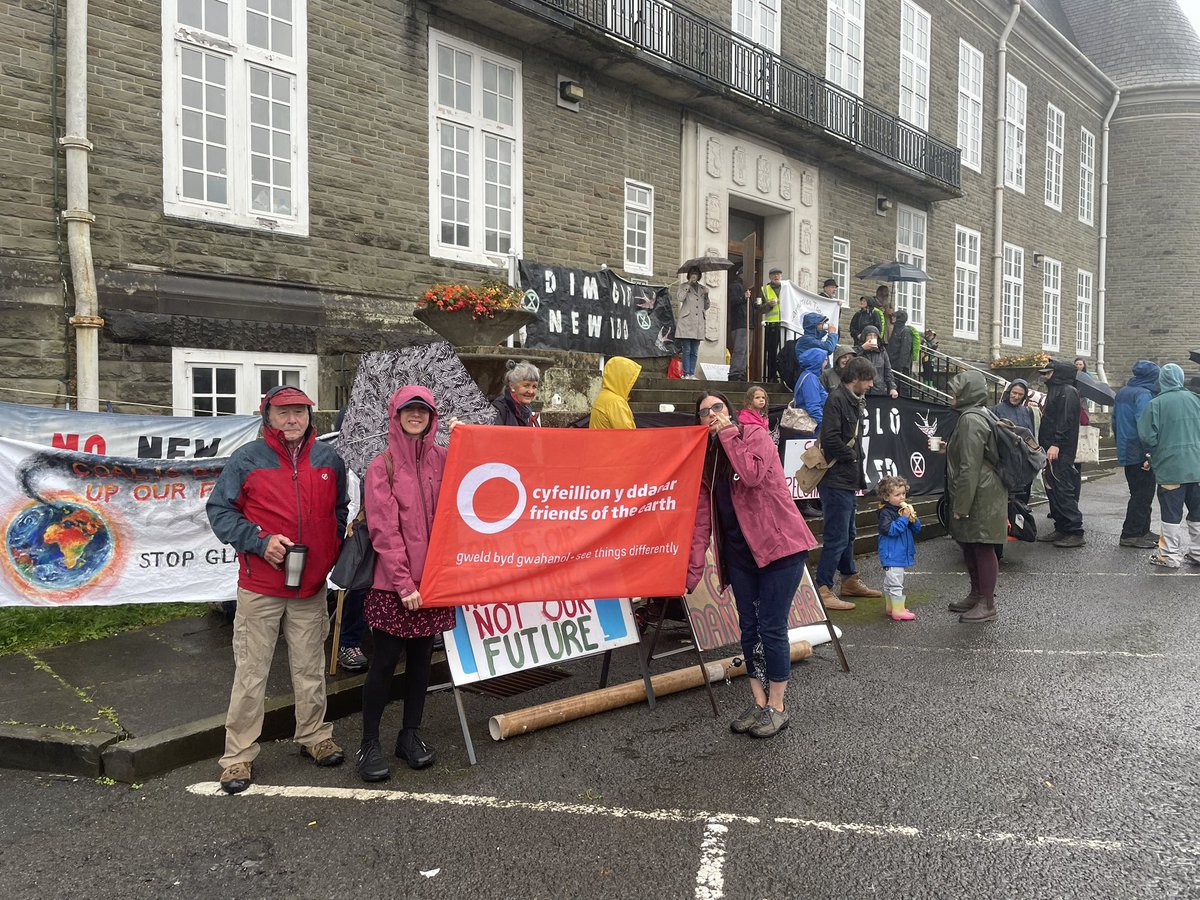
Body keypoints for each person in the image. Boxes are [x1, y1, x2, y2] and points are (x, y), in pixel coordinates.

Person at [206, 385, 349, 795]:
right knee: (251, 674)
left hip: (311, 587)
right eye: (283, 412)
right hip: (261, 586)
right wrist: (258, 539)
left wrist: (330, 546)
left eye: (300, 412)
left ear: (309, 416)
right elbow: (219, 511)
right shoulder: (246, 460)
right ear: (267, 415)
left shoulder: (328, 459)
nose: (292, 420)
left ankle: (315, 736)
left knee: (309, 668)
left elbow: (339, 509)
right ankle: (238, 757)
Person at [686, 391, 818, 738]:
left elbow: (753, 474)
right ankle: (758, 702)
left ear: (729, 410)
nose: (711, 414)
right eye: (703, 412)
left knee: (771, 627)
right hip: (740, 556)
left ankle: (778, 706)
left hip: (779, 549)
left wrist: (730, 432)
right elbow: (701, 519)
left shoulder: (753, 434)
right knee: (748, 628)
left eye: (718, 407)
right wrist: (693, 566)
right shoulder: (707, 460)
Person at [355, 386, 458, 781]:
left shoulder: (445, 458)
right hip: (395, 586)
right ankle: (369, 743)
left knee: (420, 663)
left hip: (433, 581)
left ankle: (409, 735)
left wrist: (469, 438)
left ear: (432, 417)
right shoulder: (382, 465)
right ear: (395, 415)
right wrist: (403, 583)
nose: (416, 416)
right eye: (408, 410)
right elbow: (384, 531)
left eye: (424, 411)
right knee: (383, 663)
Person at [815, 356, 883, 611]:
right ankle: (823, 588)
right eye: (868, 381)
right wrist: (852, 456)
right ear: (855, 378)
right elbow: (830, 439)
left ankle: (849, 580)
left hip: (847, 478)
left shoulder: (853, 399)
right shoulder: (837, 399)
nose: (870, 385)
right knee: (837, 536)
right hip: (835, 480)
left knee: (850, 533)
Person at [945, 371, 1008, 622]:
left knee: (981, 545)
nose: (951, 394)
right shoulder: (980, 414)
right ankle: (976, 594)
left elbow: (970, 465)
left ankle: (986, 603)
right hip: (982, 489)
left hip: (980, 492)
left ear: (967, 392)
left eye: (956, 390)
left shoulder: (970, 419)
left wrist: (961, 505)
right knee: (969, 542)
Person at [1137, 363, 1200, 569]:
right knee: (1198, 513)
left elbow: (1147, 437)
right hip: (1197, 468)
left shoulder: (1156, 404)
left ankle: (1170, 556)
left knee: (1171, 514)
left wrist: (1152, 455)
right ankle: (1198, 553)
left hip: (1170, 468)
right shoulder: (1196, 400)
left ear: (1161, 381)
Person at [1035, 360, 1085, 547]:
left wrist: (1056, 443)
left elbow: (1065, 420)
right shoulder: (1058, 390)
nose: (1044, 376)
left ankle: (1074, 530)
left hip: (1060, 450)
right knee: (1053, 489)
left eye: (1048, 373)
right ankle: (1062, 527)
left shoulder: (1067, 391)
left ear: (1058, 374)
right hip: (1051, 448)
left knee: (1063, 489)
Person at [1113, 360, 1160, 549]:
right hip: (1139, 450)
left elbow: (1114, 421)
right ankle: (1131, 533)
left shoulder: (1124, 392)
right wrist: (1149, 452)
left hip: (1126, 447)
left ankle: (1142, 530)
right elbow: (1145, 424)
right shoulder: (1144, 394)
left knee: (1139, 491)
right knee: (1143, 493)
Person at [876, 475, 921, 622]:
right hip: (892, 554)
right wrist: (903, 519)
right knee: (896, 582)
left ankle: (891, 607)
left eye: (903, 493)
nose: (902, 497)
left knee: (890, 582)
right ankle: (898, 610)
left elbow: (917, 529)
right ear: (886, 497)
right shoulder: (885, 512)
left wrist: (913, 519)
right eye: (897, 495)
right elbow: (890, 530)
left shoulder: (902, 510)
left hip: (899, 553)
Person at [992, 379, 1037, 504]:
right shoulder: (996, 409)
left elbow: (1031, 435)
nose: (1016, 397)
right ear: (1009, 391)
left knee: (1023, 497)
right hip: (1006, 459)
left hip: (1024, 459)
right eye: (1014, 392)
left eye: (1020, 394)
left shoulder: (1027, 411)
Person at [676, 266, 709, 380]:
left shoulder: (702, 288)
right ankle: (686, 374)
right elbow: (680, 298)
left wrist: (707, 295)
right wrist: (688, 284)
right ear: (689, 275)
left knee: (694, 351)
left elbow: (706, 306)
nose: (694, 275)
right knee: (687, 349)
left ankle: (692, 373)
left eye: (696, 273)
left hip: (698, 324)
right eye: (692, 273)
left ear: (699, 276)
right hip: (686, 322)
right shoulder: (683, 286)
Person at [589, 356, 641, 429]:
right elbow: (628, 435)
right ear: (623, 378)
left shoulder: (604, 395)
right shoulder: (616, 402)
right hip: (611, 440)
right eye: (631, 379)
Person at [492, 360, 541, 427]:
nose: (531, 391)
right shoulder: (498, 409)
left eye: (534, 386)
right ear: (512, 385)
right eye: (526, 385)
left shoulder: (529, 411)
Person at [757, 267, 784, 382]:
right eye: (774, 275)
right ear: (769, 277)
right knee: (771, 352)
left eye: (778, 274)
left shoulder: (787, 288)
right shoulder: (764, 289)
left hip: (784, 325)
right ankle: (772, 376)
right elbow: (758, 308)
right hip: (772, 325)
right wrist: (768, 305)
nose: (776, 276)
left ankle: (783, 375)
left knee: (784, 352)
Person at [856, 326, 898, 399]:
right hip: (861, 391)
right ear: (864, 337)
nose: (872, 338)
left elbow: (888, 371)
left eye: (875, 336)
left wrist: (892, 388)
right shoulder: (858, 350)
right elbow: (850, 361)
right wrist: (862, 348)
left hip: (878, 390)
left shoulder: (882, 351)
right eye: (869, 335)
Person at [727, 266, 749, 382]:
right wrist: (744, 298)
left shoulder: (747, 288)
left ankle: (742, 372)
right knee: (740, 349)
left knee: (747, 350)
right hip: (740, 323)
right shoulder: (735, 286)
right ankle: (735, 373)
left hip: (749, 323)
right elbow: (734, 301)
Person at [886, 309, 914, 385]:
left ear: (899, 318)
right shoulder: (896, 329)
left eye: (894, 316)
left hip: (900, 367)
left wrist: (900, 366)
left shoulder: (905, 331)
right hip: (892, 363)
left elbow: (905, 350)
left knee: (903, 387)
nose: (892, 318)